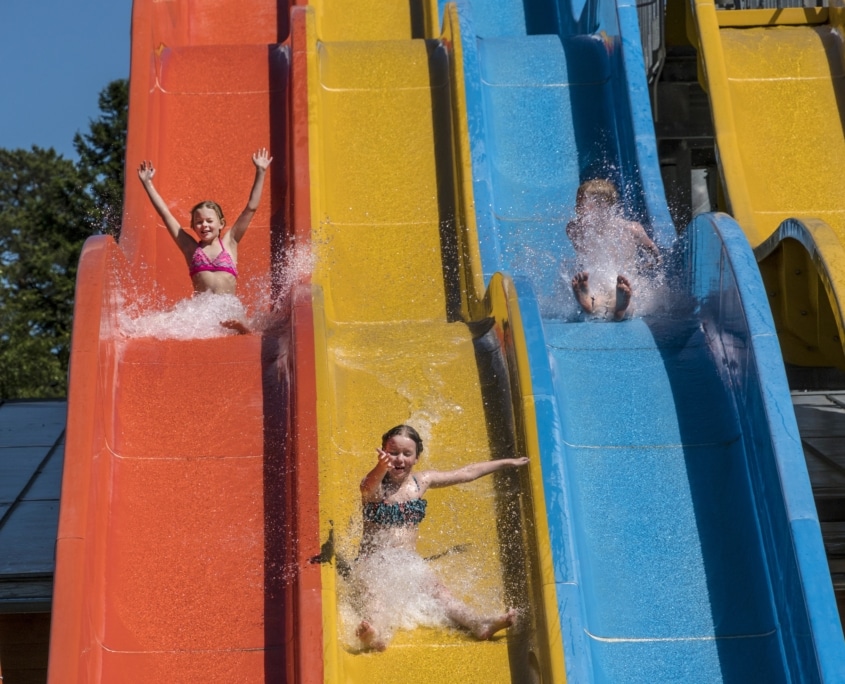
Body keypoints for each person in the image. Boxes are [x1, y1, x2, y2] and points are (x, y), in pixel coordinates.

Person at [350, 424, 528, 652]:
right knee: (374, 597)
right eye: (393, 453)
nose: (399, 459)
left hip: (407, 562)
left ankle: (479, 623)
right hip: (372, 563)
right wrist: (379, 467)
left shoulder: (420, 482)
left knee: (442, 594)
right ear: (383, 453)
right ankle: (376, 633)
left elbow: (466, 473)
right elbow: (366, 489)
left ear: (416, 458)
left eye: (407, 454)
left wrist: (506, 463)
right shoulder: (376, 485)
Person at [137, 149, 272, 331]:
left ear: (221, 223)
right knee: (158, 320)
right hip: (203, 312)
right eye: (199, 222)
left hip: (228, 307)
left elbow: (251, 208)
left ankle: (244, 329)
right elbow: (165, 215)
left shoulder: (230, 242)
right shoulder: (191, 249)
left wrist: (261, 171)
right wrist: (147, 184)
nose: (204, 225)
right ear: (193, 226)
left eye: (209, 221)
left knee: (235, 316)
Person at [565, 179, 660, 321]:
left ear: (602, 205)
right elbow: (655, 253)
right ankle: (618, 308)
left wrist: (649, 265)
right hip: (618, 280)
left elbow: (582, 253)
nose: (577, 207)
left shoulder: (576, 229)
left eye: (583, 203)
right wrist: (651, 264)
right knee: (621, 295)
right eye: (577, 202)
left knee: (603, 296)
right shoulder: (632, 229)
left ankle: (600, 305)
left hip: (611, 281)